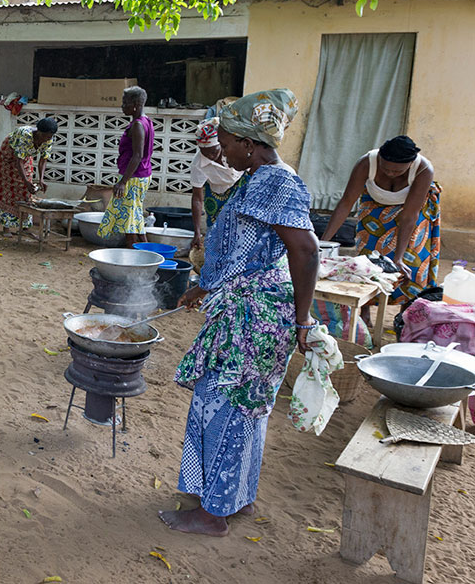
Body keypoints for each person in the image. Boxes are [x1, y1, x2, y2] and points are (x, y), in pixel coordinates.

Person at [160, 89, 319, 537]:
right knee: (243, 410)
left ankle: (212, 515)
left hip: (254, 320)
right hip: (244, 311)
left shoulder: (274, 180)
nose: (223, 148)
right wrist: (204, 285)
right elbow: (247, 249)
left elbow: (306, 252)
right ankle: (235, 498)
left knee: (223, 408)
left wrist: (302, 320)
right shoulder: (258, 178)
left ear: (249, 142)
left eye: (228, 140)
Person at [322, 135, 440, 300]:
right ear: (379, 159)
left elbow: (409, 216)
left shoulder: (423, 170)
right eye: (386, 168)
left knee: (411, 259)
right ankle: (366, 309)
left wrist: (398, 258)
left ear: (411, 164)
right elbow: (346, 203)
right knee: (368, 258)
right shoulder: (366, 163)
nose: (391, 173)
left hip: (411, 207)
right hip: (375, 202)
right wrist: (323, 244)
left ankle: (406, 311)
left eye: (397, 171)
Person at [98, 86, 154, 246]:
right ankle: (145, 250)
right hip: (141, 174)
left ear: (135, 104)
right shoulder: (146, 121)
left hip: (134, 177)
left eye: (125, 103)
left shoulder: (137, 125)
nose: (122, 106)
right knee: (133, 214)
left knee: (129, 217)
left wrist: (123, 182)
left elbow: (138, 155)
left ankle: (135, 253)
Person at [188, 117, 245, 266]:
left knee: (239, 230)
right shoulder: (198, 163)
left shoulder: (234, 151)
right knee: (216, 232)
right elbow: (197, 199)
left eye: (213, 151)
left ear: (221, 145)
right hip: (216, 195)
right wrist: (197, 232)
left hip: (240, 185)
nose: (210, 156)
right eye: (204, 152)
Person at [0, 118, 58, 233]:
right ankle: (6, 228)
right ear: (38, 132)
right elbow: (19, 161)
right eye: (45, 136)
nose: (47, 139)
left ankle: (25, 227)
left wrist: (41, 180)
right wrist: (26, 182)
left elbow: (43, 160)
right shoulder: (25, 135)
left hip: (24, 156)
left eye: (49, 136)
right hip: (9, 156)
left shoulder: (48, 140)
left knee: (27, 191)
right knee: (9, 188)